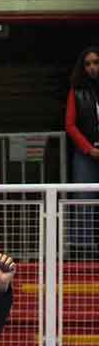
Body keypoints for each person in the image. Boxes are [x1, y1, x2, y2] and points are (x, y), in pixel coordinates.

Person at [65, 45, 99, 256]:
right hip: (86, 155)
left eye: (96, 62)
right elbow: (70, 125)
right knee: (84, 200)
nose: (93, 67)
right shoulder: (76, 91)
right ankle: (84, 253)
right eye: (88, 64)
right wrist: (88, 149)